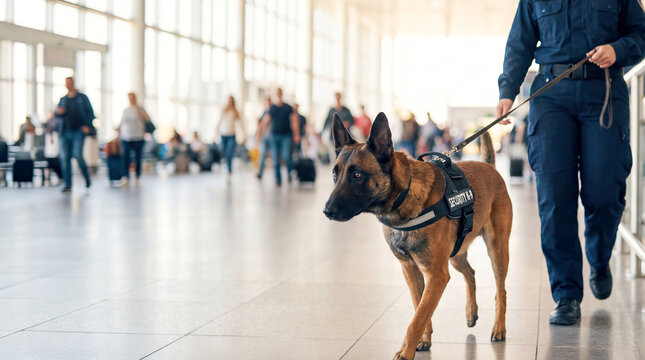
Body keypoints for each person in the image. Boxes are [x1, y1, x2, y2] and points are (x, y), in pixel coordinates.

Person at [497, 0, 645, 325]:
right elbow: (520, 42)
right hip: (551, 94)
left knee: (605, 193)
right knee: (555, 199)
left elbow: (640, 34)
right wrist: (508, 91)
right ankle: (566, 295)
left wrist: (617, 49)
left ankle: (600, 256)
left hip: (604, 90)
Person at [56, 76, 94, 193]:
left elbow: (90, 113)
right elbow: (57, 113)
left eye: (70, 82)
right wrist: (59, 113)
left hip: (78, 131)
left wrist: (87, 125)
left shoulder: (82, 98)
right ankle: (68, 185)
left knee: (78, 155)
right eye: (66, 83)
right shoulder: (63, 99)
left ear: (73, 83)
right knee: (65, 158)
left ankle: (87, 178)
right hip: (65, 132)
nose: (68, 85)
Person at [259, 88, 300, 186]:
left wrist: (296, 134)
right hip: (274, 136)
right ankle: (278, 179)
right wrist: (260, 133)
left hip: (286, 135)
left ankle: (290, 172)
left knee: (287, 156)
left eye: (279, 92)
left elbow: (294, 121)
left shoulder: (288, 108)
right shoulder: (272, 108)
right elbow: (265, 121)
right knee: (275, 158)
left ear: (282, 94)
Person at [119, 93, 150, 186]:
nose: (131, 99)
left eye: (132, 97)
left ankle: (137, 176)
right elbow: (122, 123)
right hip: (126, 136)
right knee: (126, 157)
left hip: (138, 136)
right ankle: (126, 177)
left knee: (137, 157)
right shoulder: (126, 110)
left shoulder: (140, 108)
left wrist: (141, 114)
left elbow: (148, 119)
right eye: (129, 98)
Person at [216, 95, 246, 180]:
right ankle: (227, 167)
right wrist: (216, 130)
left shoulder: (235, 112)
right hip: (223, 134)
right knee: (224, 152)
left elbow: (240, 124)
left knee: (229, 152)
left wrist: (243, 135)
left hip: (231, 135)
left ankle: (229, 170)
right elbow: (219, 121)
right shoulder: (224, 110)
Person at [256, 96, 272, 179]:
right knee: (262, 155)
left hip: (272, 136)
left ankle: (277, 176)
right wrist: (259, 135)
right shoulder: (264, 113)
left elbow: (264, 123)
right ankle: (260, 172)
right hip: (265, 137)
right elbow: (260, 125)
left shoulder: (273, 111)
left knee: (275, 156)